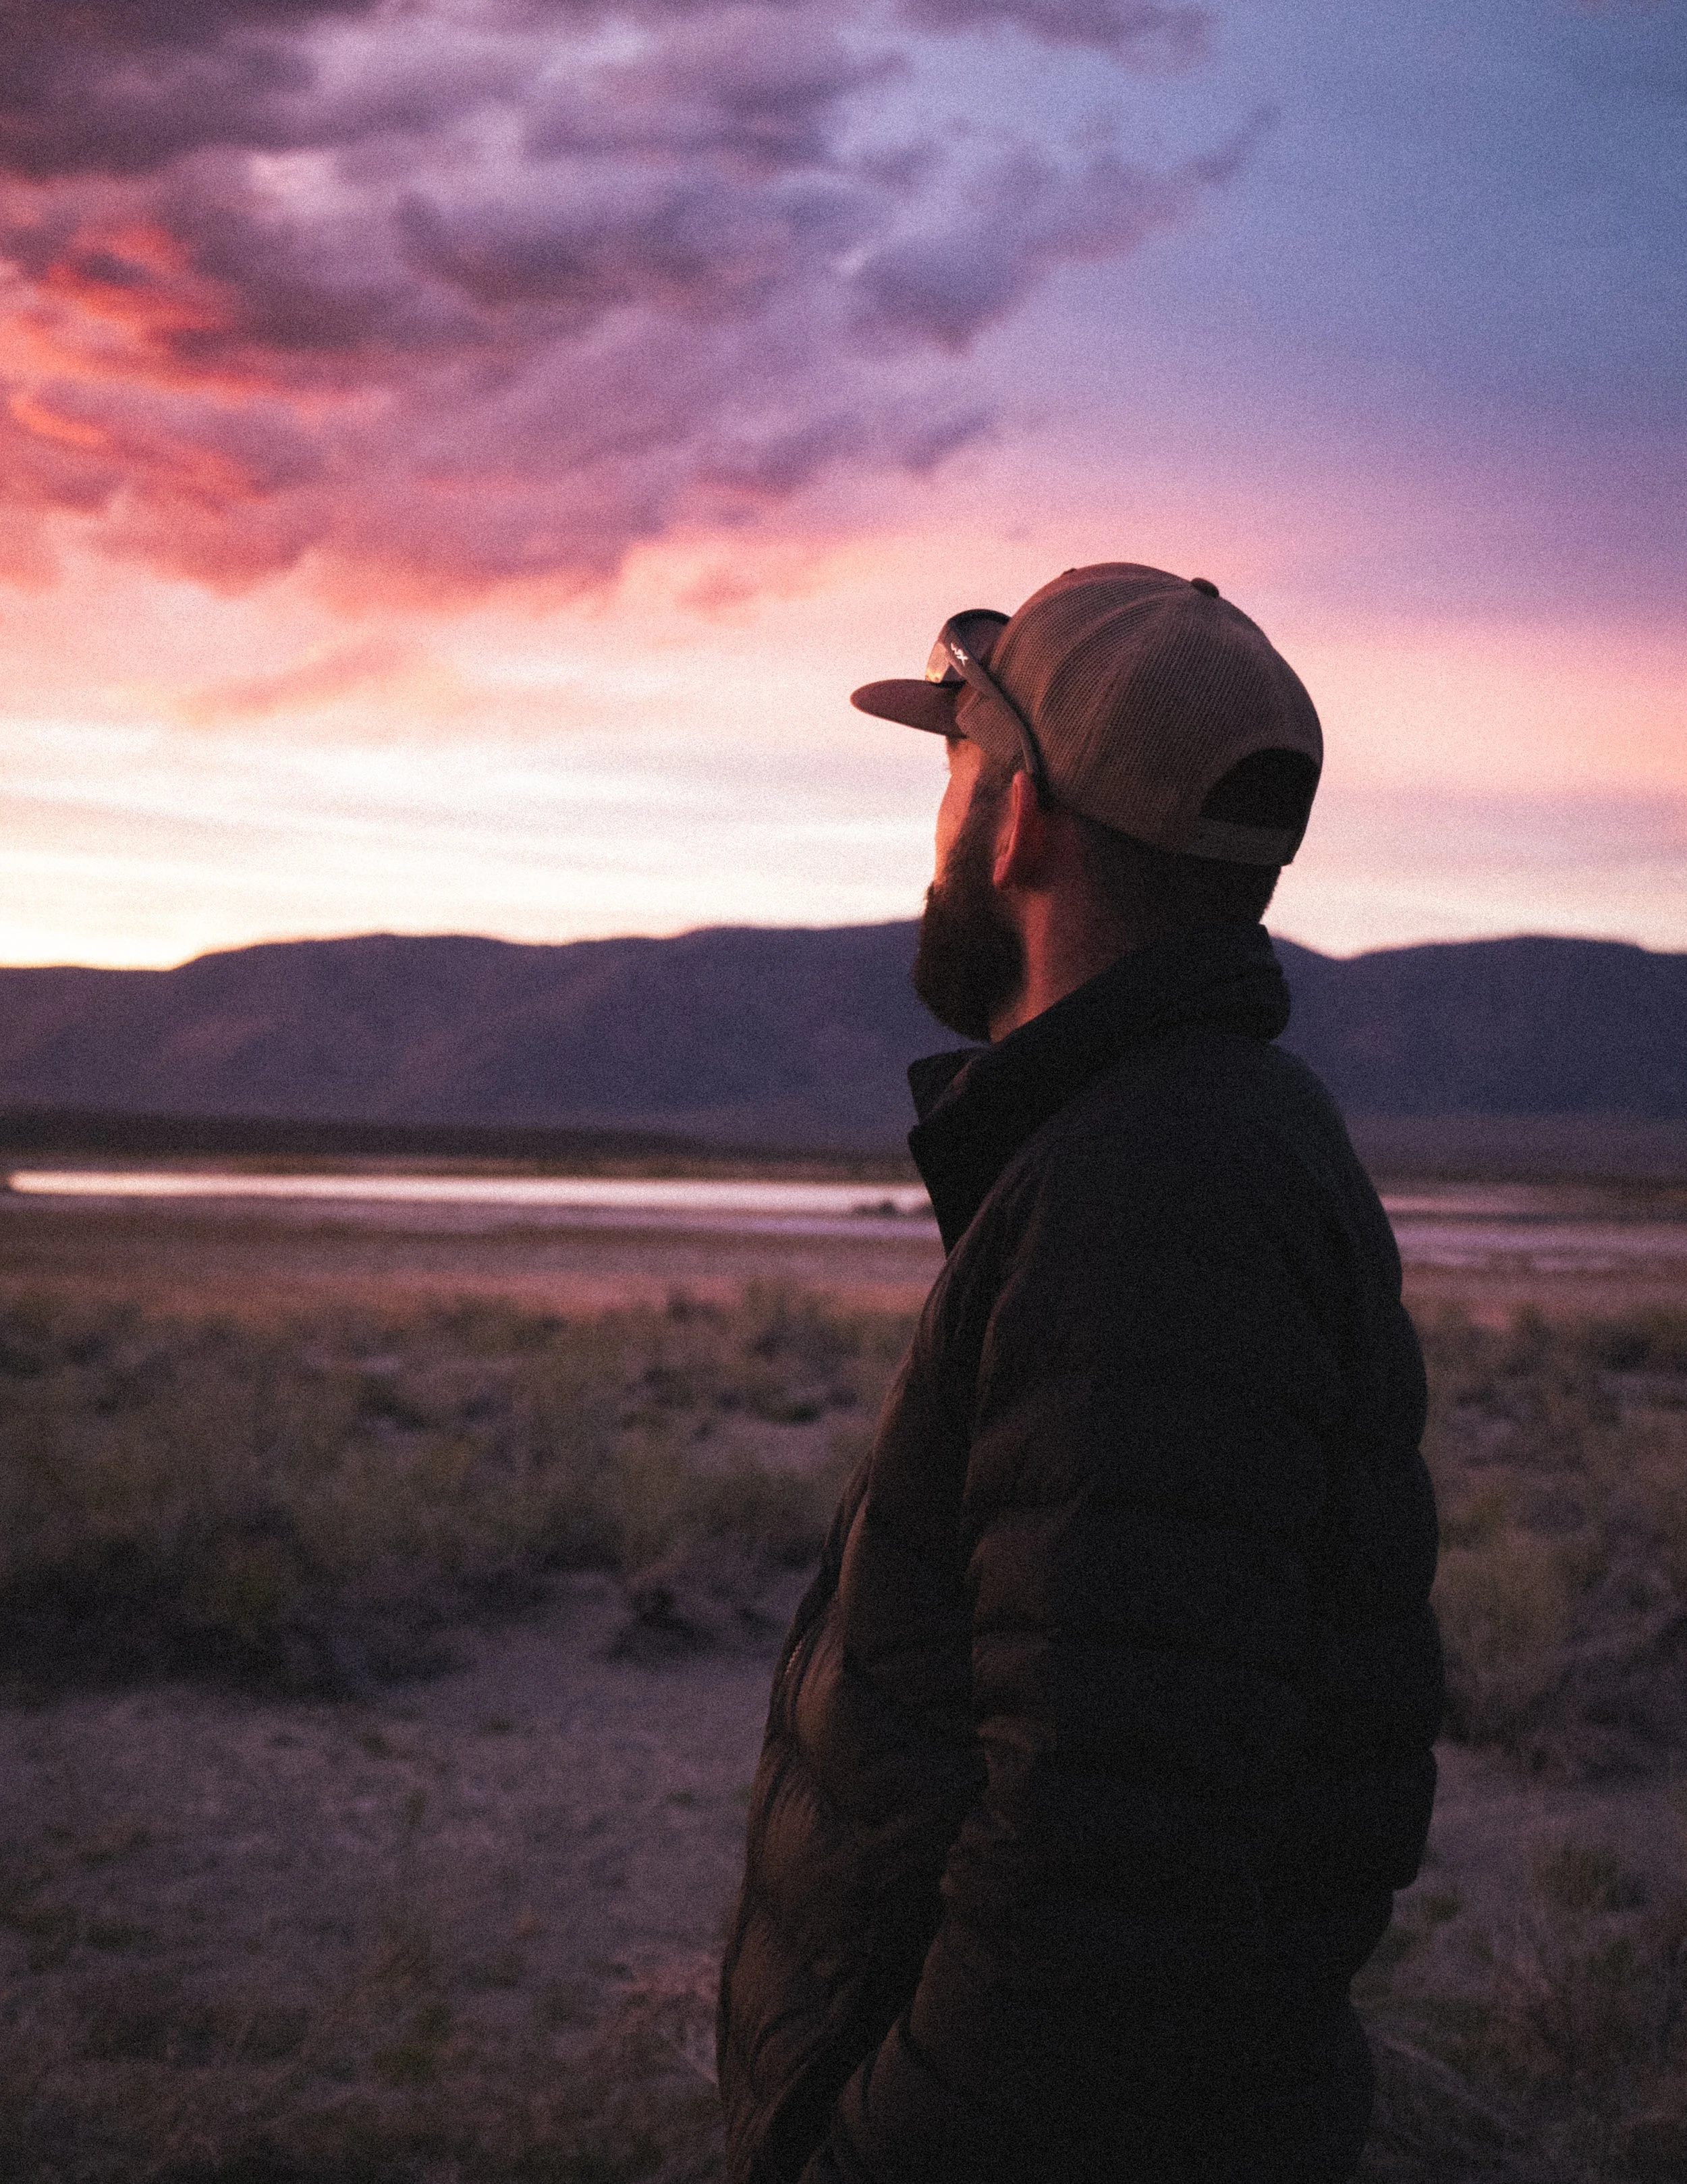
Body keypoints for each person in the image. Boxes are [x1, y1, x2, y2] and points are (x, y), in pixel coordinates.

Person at [716, 564, 1443, 2184]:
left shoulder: (1152, 1197)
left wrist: (871, 2155)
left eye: (957, 773)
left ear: (1021, 820)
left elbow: (1105, 1861)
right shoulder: (1170, 1146)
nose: (937, 832)